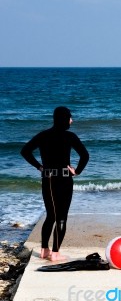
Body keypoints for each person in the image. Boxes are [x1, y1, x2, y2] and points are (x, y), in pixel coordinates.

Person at [21, 106, 89, 261]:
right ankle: (56, 253)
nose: (72, 120)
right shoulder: (70, 136)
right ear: (65, 119)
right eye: (70, 117)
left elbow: (25, 151)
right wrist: (76, 171)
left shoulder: (43, 135)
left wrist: (39, 166)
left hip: (48, 179)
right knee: (61, 217)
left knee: (50, 216)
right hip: (65, 180)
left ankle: (45, 250)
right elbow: (85, 155)